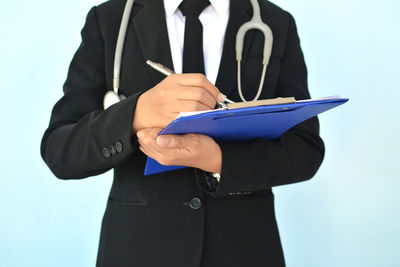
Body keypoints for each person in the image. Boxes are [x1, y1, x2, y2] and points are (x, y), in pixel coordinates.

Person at [41, 0, 325, 266]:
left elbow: (305, 149)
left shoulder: (275, 23)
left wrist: (219, 160)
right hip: (138, 250)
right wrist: (135, 113)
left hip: (244, 249)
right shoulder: (110, 20)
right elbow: (60, 150)